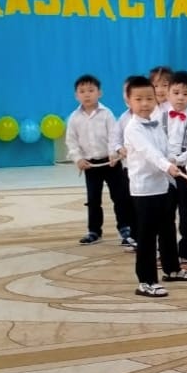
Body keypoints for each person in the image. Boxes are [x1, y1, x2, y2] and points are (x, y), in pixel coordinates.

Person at [123, 75, 185, 297]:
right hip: (144, 189)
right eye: (138, 99)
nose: (145, 103)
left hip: (162, 185)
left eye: (149, 98)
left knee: (168, 229)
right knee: (147, 236)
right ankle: (146, 281)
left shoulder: (156, 122)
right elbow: (149, 153)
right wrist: (168, 165)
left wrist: (177, 160)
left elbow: (165, 149)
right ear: (128, 101)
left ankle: (172, 269)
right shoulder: (132, 128)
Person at [65, 74, 134, 247]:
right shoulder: (74, 118)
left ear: (99, 93)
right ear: (76, 95)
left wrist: (113, 154)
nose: (87, 95)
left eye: (91, 90)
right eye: (82, 91)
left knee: (120, 197)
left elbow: (114, 136)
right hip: (90, 165)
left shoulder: (106, 114)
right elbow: (71, 141)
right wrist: (78, 159)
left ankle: (125, 227)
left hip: (111, 163)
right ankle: (94, 231)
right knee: (93, 199)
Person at [163, 70, 187, 275]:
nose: (180, 98)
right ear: (168, 94)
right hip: (164, 171)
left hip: (185, 171)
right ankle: (166, 253)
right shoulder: (160, 117)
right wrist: (165, 161)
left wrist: (177, 160)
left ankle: (186, 253)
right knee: (165, 214)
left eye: (185, 94)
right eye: (176, 93)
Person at [109, 76, 137, 251]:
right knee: (128, 202)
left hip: (148, 170)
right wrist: (119, 149)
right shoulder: (123, 118)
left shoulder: (154, 115)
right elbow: (115, 139)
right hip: (128, 168)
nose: (127, 95)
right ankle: (133, 235)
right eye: (125, 92)